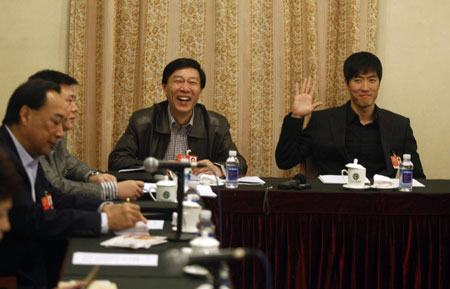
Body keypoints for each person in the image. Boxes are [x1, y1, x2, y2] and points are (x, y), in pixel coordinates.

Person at [0, 79, 146, 288]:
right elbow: (31, 219)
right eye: (55, 122)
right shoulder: (4, 157)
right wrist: (104, 221)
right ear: (25, 115)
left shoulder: (28, 153)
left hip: (39, 261)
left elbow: (53, 198)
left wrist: (104, 207)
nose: (60, 133)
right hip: (19, 273)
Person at [276, 51, 425, 179]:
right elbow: (285, 161)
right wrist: (296, 117)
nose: (365, 88)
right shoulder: (323, 121)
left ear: (379, 83)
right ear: (347, 84)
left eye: (372, 80)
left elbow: (418, 177)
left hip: (381, 203)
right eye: (358, 80)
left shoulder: (399, 125)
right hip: (333, 202)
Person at [108, 58, 247, 177]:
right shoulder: (143, 121)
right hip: (156, 192)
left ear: (200, 91)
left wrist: (218, 169)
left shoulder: (215, 124)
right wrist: (159, 168)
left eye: (192, 82)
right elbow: (117, 161)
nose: (185, 88)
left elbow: (240, 164)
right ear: (165, 87)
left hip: (200, 196)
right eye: (178, 81)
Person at [28, 70, 144, 201]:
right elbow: (54, 186)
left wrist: (92, 175)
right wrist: (113, 190)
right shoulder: (31, 141)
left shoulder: (56, 133)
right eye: (69, 101)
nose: (75, 108)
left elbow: (70, 164)